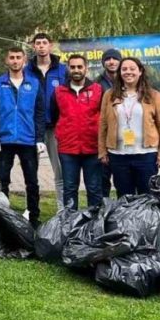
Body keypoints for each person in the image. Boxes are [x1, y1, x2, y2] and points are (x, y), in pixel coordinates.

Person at [0, 47, 47, 228]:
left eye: (18, 57)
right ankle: (3, 216)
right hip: (5, 140)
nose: (15, 61)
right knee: (2, 179)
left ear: (24, 61)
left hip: (28, 139)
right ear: (7, 61)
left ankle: (34, 217)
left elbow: (39, 113)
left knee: (32, 180)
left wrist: (40, 139)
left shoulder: (35, 83)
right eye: (11, 57)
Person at [98, 57, 160, 197]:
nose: (128, 72)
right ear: (119, 73)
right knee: (124, 196)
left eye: (132, 69)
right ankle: (125, 220)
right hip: (118, 156)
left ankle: (148, 220)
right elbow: (103, 125)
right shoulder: (109, 95)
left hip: (146, 155)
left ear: (140, 71)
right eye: (124, 69)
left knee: (148, 196)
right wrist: (102, 151)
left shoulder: (153, 95)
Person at [50, 54, 105, 210]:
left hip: (92, 148)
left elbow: (104, 117)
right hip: (67, 149)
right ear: (68, 68)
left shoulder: (98, 90)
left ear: (86, 68)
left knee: (94, 189)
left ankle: (94, 223)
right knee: (70, 188)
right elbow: (54, 116)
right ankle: (70, 224)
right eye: (73, 67)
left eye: (79, 67)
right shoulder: (59, 92)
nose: (76, 70)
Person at [27, 32, 67, 200]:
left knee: (60, 171)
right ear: (33, 46)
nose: (41, 46)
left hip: (56, 127)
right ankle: (31, 209)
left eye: (44, 42)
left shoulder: (63, 70)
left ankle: (62, 210)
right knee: (30, 171)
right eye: (38, 43)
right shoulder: (26, 70)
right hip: (32, 128)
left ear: (50, 45)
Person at [97, 48, 122, 199]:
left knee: (123, 180)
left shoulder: (129, 81)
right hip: (104, 136)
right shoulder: (96, 84)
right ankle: (102, 210)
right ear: (103, 63)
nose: (111, 62)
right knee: (102, 179)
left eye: (115, 58)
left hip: (125, 138)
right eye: (108, 59)